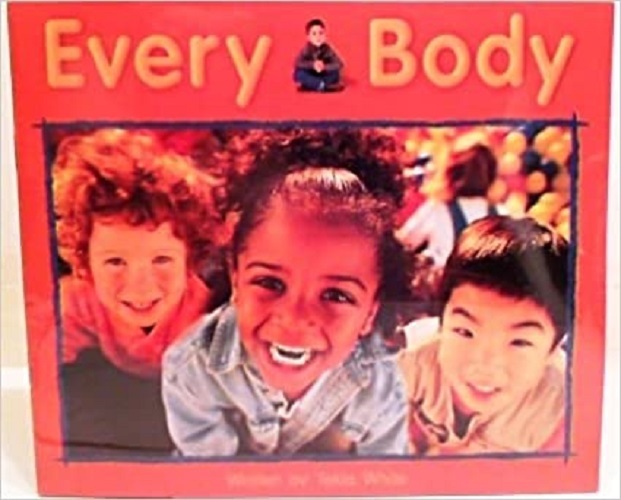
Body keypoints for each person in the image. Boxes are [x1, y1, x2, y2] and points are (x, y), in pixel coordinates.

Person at [162, 130, 411, 456]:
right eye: (270, 283)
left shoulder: (382, 384)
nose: (294, 318)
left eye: (336, 295)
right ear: (236, 279)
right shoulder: (191, 367)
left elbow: (386, 477)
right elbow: (212, 477)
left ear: (370, 314)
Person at [52, 128, 225, 455]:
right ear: (84, 259)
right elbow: (43, 372)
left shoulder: (205, 315)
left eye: (162, 260)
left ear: (190, 258)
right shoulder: (76, 298)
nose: (140, 287)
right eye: (115, 262)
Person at [398, 215, 569, 455]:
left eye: (519, 342)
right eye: (465, 332)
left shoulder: (564, 409)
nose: (485, 365)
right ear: (442, 321)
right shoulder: (406, 359)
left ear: (553, 348)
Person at [396, 143, 501, 267]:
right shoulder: (500, 215)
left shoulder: (438, 208)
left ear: (453, 174)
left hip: (444, 277)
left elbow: (403, 243)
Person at [293, 18, 344, 92]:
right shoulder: (306, 49)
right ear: (308, 37)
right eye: (314, 34)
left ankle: (314, 85)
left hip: (323, 74)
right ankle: (322, 86)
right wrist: (312, 65)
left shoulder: (328, 49)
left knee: (335, 73)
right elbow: (297, 62)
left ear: (325, 35)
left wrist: (324, 67)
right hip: (311, 73)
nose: (318, 37)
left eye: (321, 33)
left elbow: (339, 64)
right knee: (298, 74)